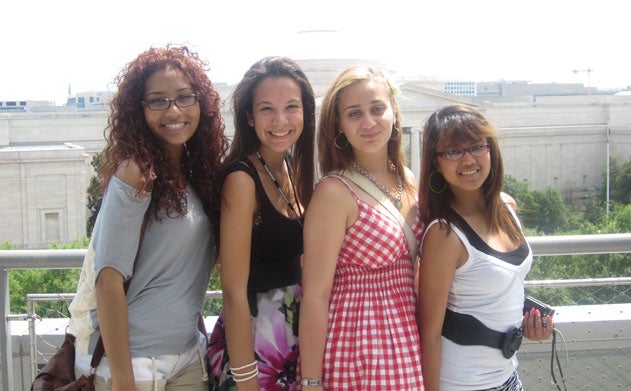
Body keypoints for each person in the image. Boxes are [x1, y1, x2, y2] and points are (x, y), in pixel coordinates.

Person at [73, 45, 228, 390]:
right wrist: (124, 382)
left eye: (184, 97)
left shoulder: (194, 173)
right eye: (157, 100)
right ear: (138, 110)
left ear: (201, 102)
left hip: (188, 355)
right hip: (137, 365)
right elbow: (107, 282)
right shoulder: (136, 172)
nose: (173, 110)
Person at [299, 66, 424, 390]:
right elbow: (315, 295)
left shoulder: (408, 180)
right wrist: (311, 383)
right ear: (339, 125)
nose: (369, 122)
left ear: (393, 113)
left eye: (377, 109)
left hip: (407, 341)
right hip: (357, 347)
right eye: (354, 114)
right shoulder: (333, 192)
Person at [417, 104, 554, 391]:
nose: (468, 160)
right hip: (464, 382)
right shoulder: (444, 235)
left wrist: (530, 327)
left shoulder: (506, 207)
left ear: (490, 149)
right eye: (453, 151)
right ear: (436, 163)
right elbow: (429, 332)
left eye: (476, 147)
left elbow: (500, 291)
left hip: (508, 376)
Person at [206, 56, 315, 391]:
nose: (280, 120)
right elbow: (234, 291)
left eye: (291, 107)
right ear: (249, 117)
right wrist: (246, 379)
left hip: (293, 339)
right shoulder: (242, 179)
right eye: (267, 109)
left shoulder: (294, 169)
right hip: (255, 347)